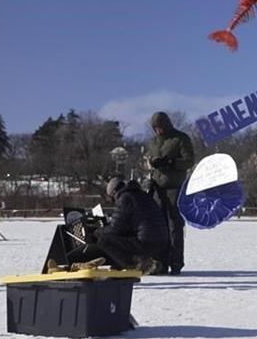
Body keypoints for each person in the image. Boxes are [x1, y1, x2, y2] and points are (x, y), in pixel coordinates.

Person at [65, 177, 167, 273]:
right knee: (120, 238)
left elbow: (115, 229)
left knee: (104, 240)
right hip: (161, 241)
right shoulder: (141, 194)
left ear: (113, 192)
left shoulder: (125, 198)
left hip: (146, 241)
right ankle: (120, 264)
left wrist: (97, 232)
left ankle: (135, 264)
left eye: (111, 198)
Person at [144, 112, 194, 275]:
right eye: (155, 128)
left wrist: (171, 162)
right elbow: (148, 159)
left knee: (174, 225)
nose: (158, 131)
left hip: (175, 186)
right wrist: (151, 164)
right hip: (157, 186)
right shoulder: (152, 142)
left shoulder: (180, 138)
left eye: (160, 127)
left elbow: (189, 160)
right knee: (159, 226)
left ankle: (176, 262)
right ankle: (160, 262)